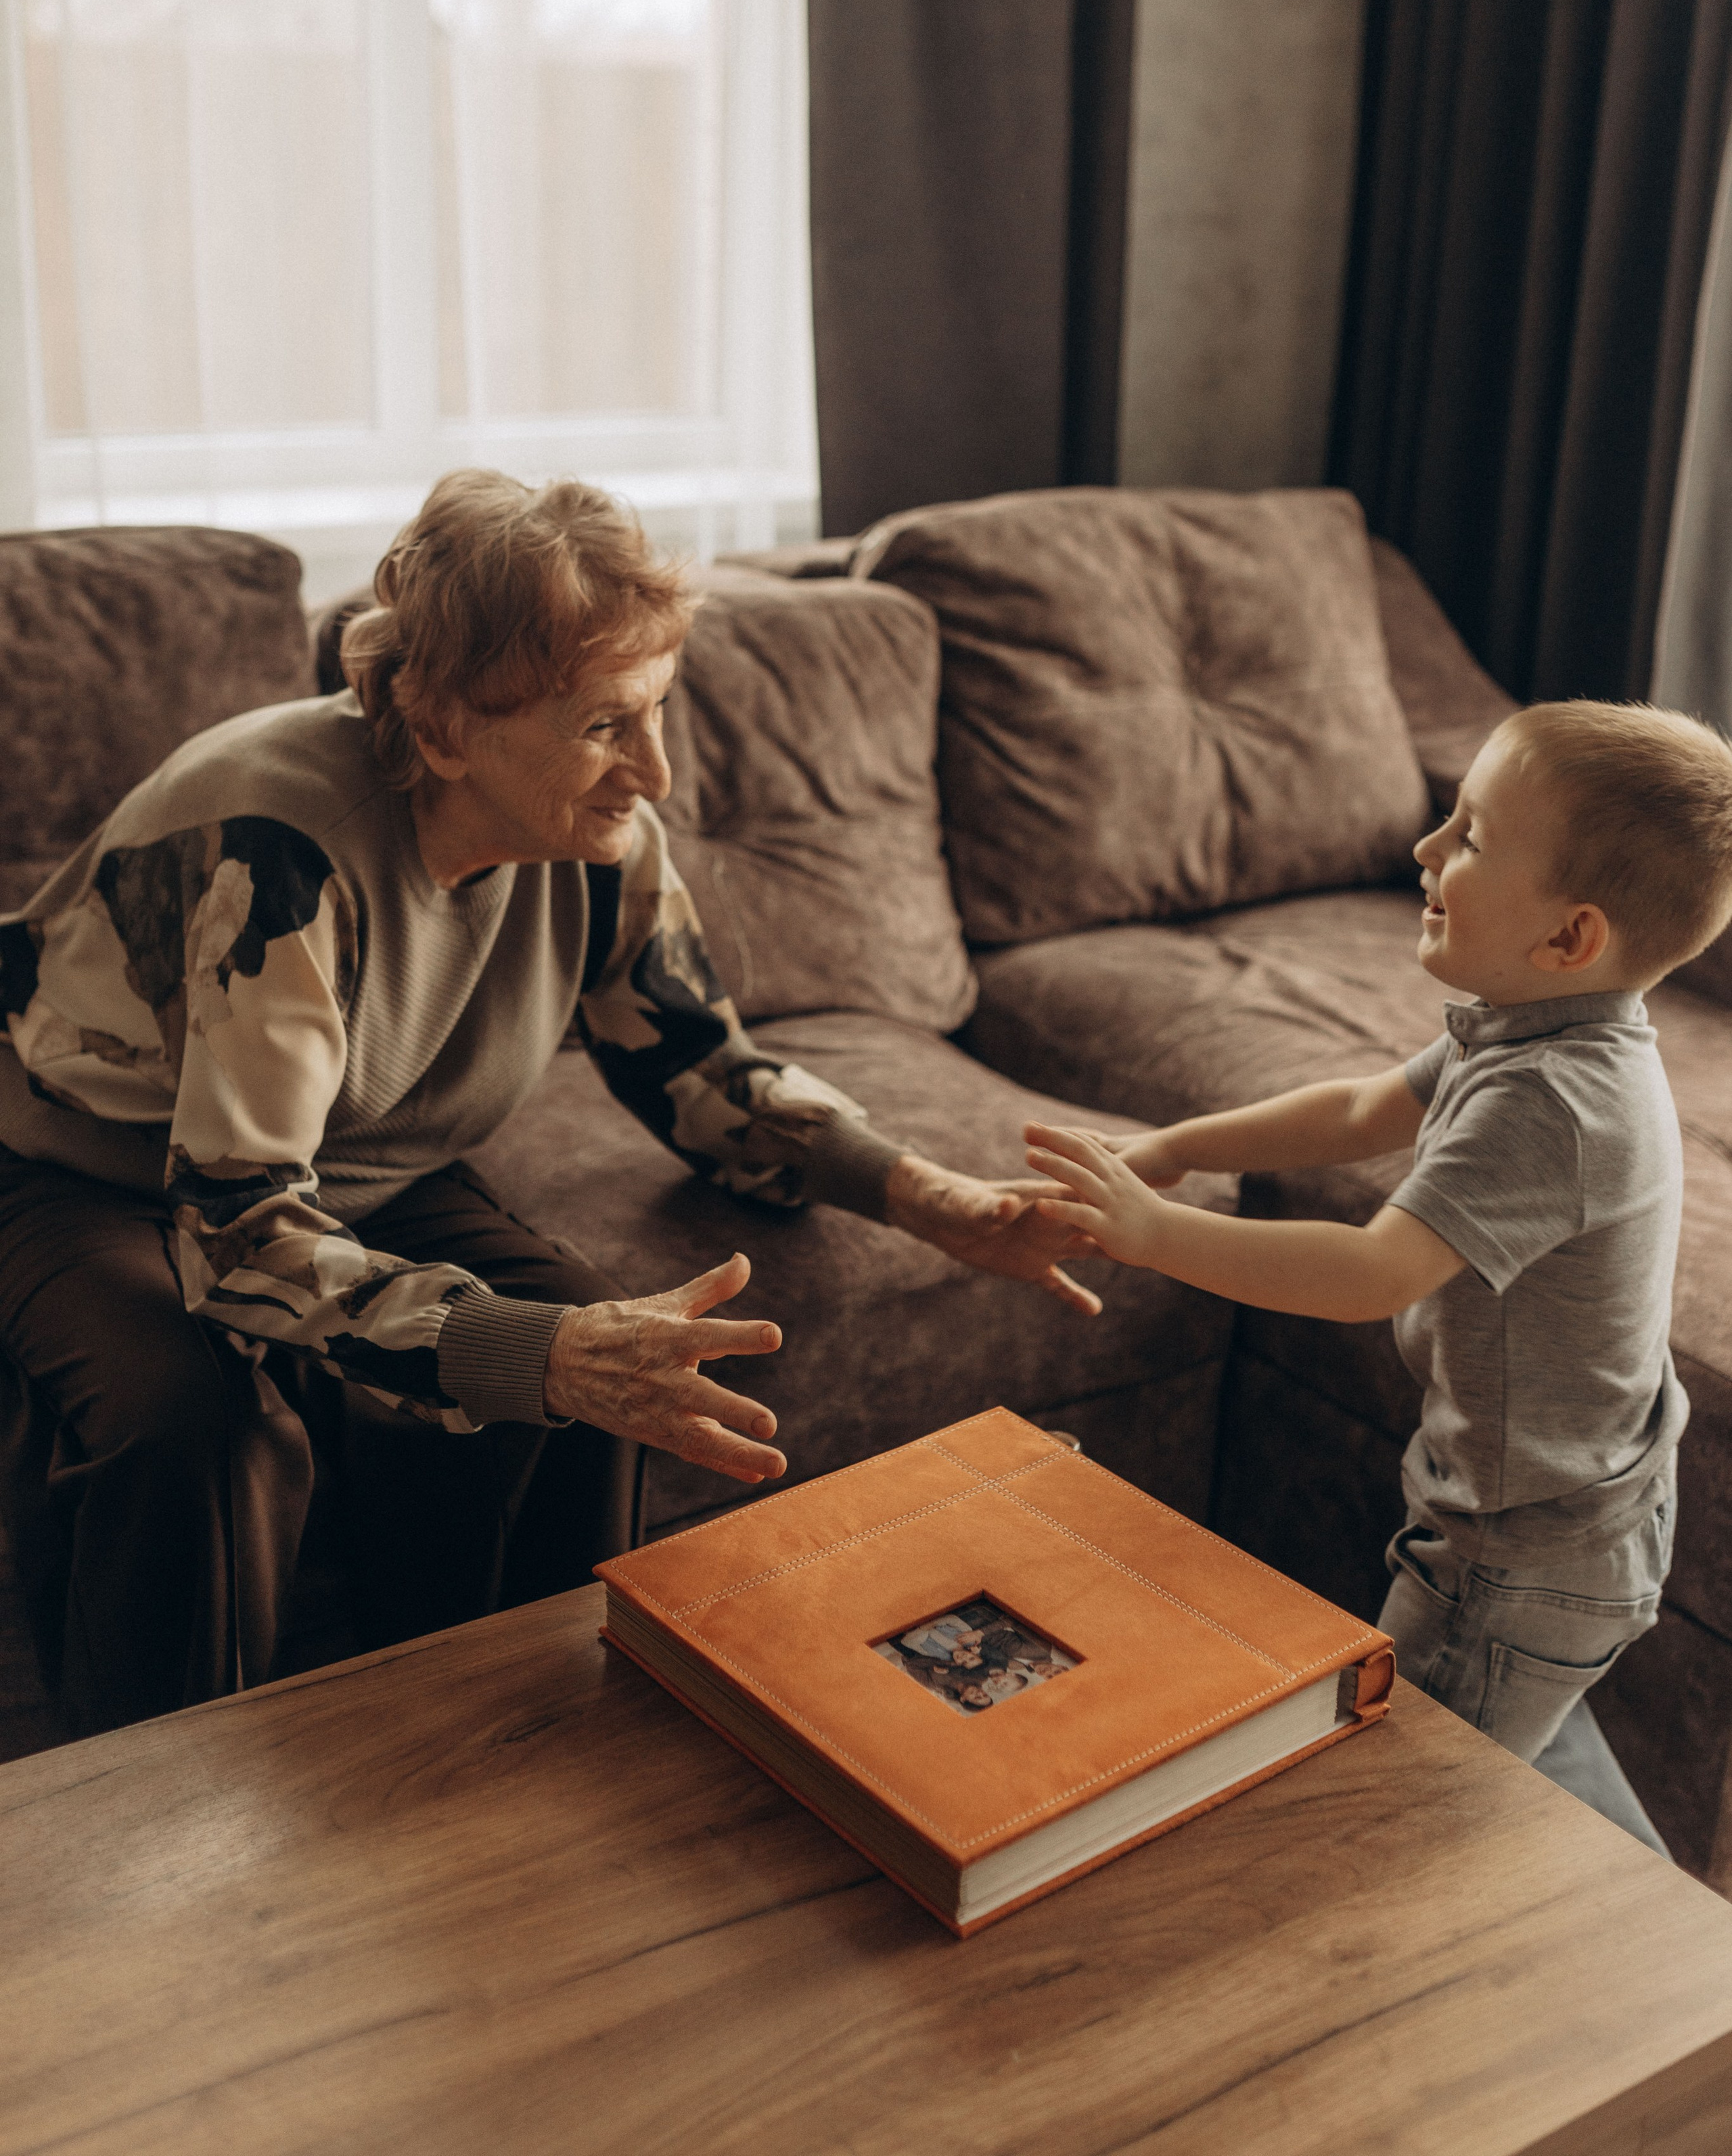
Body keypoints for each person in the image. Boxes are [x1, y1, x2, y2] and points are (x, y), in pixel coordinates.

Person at [0, 470, 1095, 1737]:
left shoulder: (599, 833)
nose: (655, 772)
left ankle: (507, 1740)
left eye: (657, 710)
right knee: (200, 1432)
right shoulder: (281, 850)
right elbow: (241, 1235)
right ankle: (152, 1804)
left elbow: (698, 1070)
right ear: (443, 729)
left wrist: (926, 1195)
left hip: (363, 1167)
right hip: (95, 1172)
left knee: (605, 1358)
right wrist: (534, 1354)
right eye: (604, 726)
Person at [1025, 700, 1732, 1854]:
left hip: (1518, 1556)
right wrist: (1181, 1147)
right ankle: (1672, 1942)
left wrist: (1155, 1234)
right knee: (1533, 1754)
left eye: (1471, 835)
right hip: (1578, 1531)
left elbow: (1369, 1272)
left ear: (1570, 938)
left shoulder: (1554, 1101)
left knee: (1394, 1810)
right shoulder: (1533, 1028)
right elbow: (1361, 1109)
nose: (1425, 848)